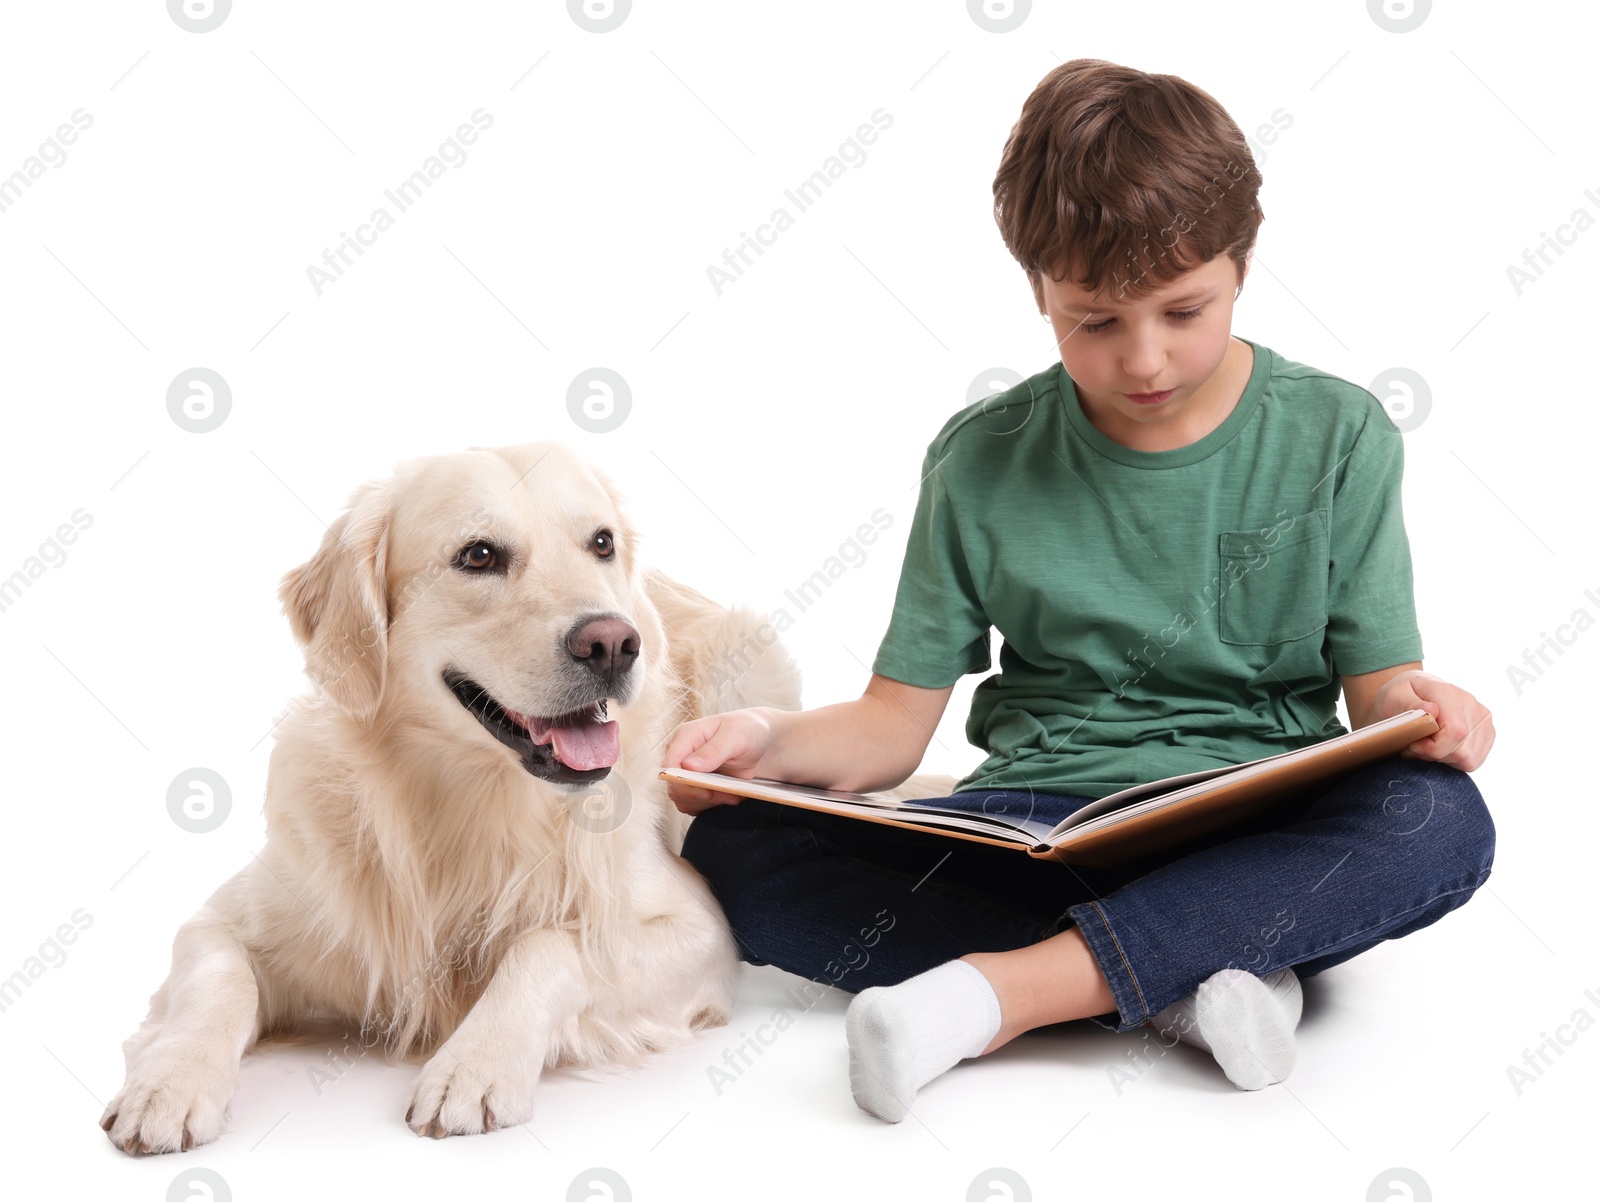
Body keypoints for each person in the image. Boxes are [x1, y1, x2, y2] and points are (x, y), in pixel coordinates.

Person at [663, 58, 1496, 1124]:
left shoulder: (1336, 435)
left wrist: (1424, 712)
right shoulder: (979, 460)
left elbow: (1378, 689)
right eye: (1094, 321)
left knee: (1439, 819)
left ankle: (991, 994)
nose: (1144, 357)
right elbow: (888, 727)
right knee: (735, 849)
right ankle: (1192, 972)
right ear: (1038, 291)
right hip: (1037, 826)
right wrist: (762, 747)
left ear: (1243, 263)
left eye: (1183, 309)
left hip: (1251, 816)